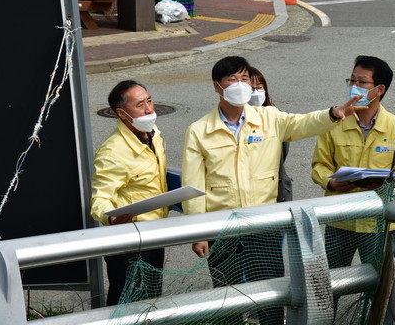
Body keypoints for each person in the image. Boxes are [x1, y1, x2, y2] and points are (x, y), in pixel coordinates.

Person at [181, 56, 365, 325]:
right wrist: (199, 233)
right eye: (232, 79)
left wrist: (333, 114)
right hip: (221, 228)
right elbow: (194, 186)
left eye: (245, 79)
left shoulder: (269, 118)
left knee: (270, 300)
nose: (240, 85)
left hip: (265, 224)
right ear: (217, 87)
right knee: (226, 300)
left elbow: (302, 123)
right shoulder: (199, 131)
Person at [311, 55, 395, 270]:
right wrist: (331, 183)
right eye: (351, 81)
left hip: (378, 223)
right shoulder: (335, 122)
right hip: (339, 219)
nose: (354, 87)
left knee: (379, 284)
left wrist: (390, 184)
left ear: (379, 89)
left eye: (361, 82)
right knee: (331, 281)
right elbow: (319, 165)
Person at [91, 80, 168, 306]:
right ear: (122, 113)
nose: (149, 109)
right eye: (140, 105)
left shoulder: (152, 134)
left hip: (155, 234)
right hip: (129, 241)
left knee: (151, 299)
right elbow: (99, 198)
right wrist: (110, 216)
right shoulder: (112, 151)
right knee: (125, 300)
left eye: (150, 101)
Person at [249, 66, 293, 202]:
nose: (256, 93)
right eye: (251, 89)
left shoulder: (275, 117)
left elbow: (282, 153)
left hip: (277, 192)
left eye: (259, 87)